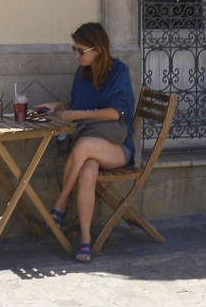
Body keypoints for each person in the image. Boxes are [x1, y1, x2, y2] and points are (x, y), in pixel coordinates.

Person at [44, 22, 137, 264]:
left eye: (81, 50)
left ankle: (60, 204)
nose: (76, 55)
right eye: (74, 49)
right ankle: (85, 238)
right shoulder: (82, 73)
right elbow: (79, 106)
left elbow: (115, 113)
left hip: (118, 148)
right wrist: (60, 107)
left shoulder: (119, 72)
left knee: (83, 146)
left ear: (99, 50)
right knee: (87, 171)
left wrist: (75, 115)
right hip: (90, 147)